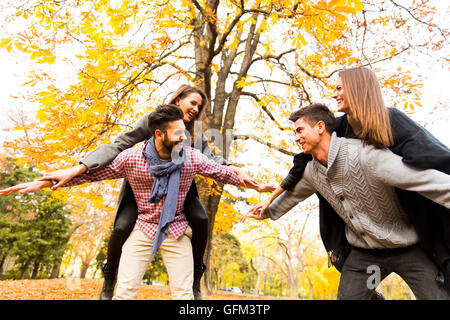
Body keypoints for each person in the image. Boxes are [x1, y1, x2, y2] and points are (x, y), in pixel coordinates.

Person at [34, 84, 274, 300]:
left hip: (180, 189)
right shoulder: (150, 128)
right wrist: (78, 168)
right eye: (192, 103)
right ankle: (110, 278)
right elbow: (118, 147)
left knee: (200, 218)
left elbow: (212, 162)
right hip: (142, 188)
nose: (195, 109)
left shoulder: (193, 141)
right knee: (120, 228)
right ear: (178, 100)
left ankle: (196, 277)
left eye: (198, 107)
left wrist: (236, 171)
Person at [247, 67, 450, 296]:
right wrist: (266, 209)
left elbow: (428, 174)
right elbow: (297, 181)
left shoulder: (383, 135)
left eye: (339, 88)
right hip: (364, 251)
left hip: (406, 243)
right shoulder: (335, 136)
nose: (334, 94)